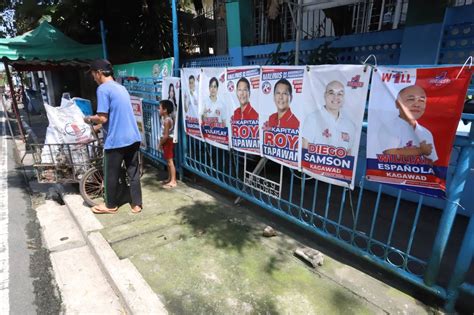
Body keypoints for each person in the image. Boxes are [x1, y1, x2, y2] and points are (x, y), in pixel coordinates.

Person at [84, 59, 143, 214]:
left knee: (111, 173)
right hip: (133, 138)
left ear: (98, 73)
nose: (93, 78)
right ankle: (136, 204)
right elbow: (115, 115)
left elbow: (103, 118)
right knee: (133, 172)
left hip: (116, 141)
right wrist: (98, 126)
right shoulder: (121, 88)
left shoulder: (103, 89)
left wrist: (90, 118)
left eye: (93, 74)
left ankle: (111, 206)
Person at [377, 84, 438, 162]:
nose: (417, 105)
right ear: (397, 104)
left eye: (421, 100)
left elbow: (431, 161)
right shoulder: (389, 127)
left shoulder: (425, 132)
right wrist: (420, 151)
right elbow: (390, 154)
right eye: (411, 99)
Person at [301, 80, 356, 155]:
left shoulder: (350, 125)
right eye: (331, 93)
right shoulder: (312, 119)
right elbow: (304, 150)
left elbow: (348, 154)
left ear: (343, 98)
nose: (335, 97)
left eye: (340, 94)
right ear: (325, 95)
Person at [158, 100, 177, 188]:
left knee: (170, 161)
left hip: (168, 141)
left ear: (165, 110)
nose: (159, 110)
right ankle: (170, 178)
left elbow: (165, 136)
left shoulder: (167, 121)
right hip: (167, 142)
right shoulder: (166, 119)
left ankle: (173, 180)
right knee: (168, 161)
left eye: (160, 108)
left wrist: (160, 144)